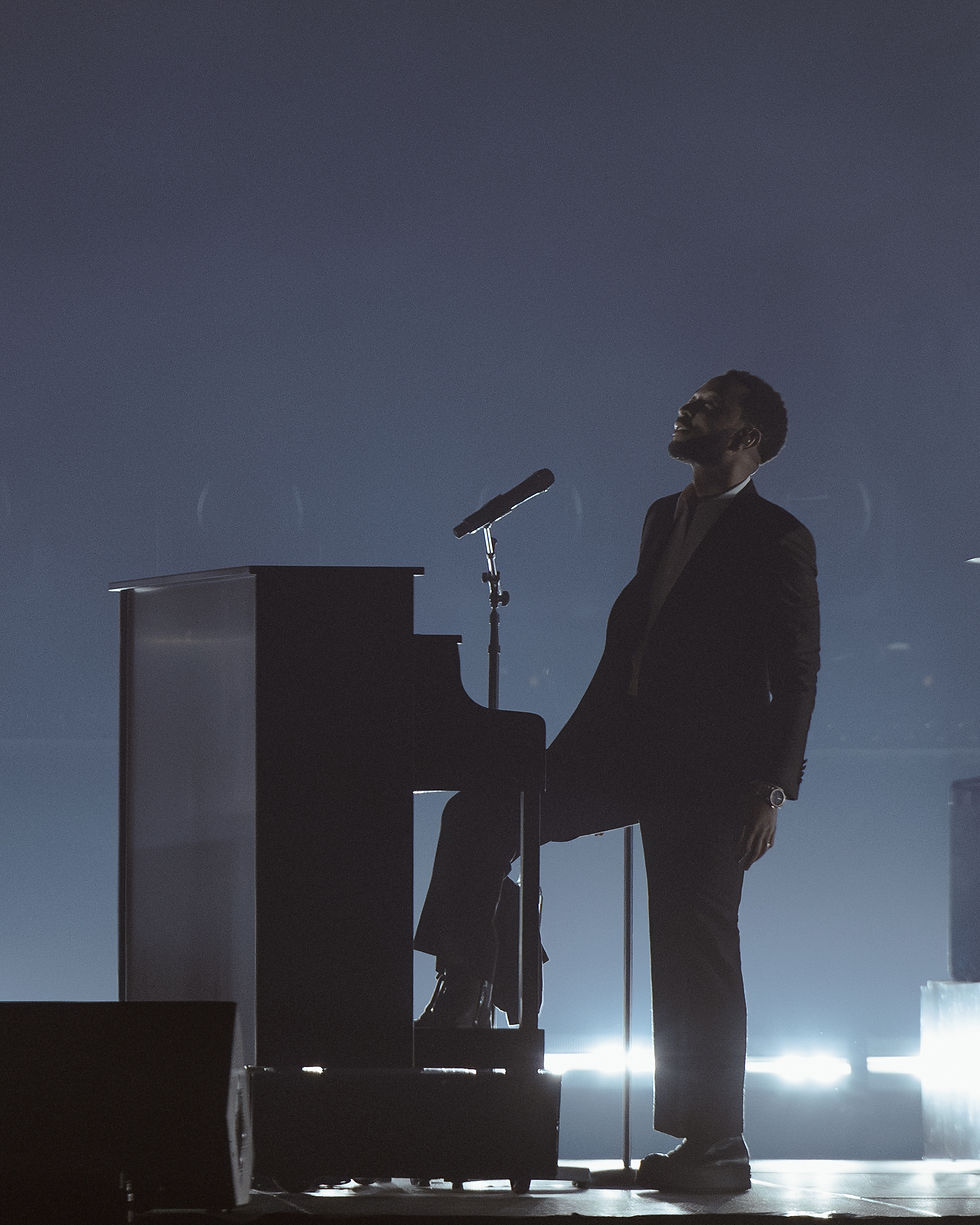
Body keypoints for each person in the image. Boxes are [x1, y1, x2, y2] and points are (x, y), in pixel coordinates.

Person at [414, 370, 820, 1192]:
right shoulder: (660, 517)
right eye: (693, 401)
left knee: (693, 948)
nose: (688, 408)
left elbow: (799, 670)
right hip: (619, 751)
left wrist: (772, 789)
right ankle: (469, 979)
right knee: (484, 813)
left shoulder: (778, 536)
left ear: (748, 440)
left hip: (712, 777)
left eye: (710, 407)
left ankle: (716, 1146)